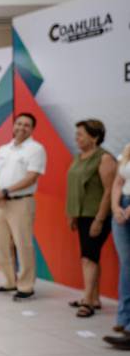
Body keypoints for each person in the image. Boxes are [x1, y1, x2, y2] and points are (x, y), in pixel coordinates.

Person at [0, 113, 46, 300]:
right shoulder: (4, 148)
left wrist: (4, 191)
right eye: (19, 123)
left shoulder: (36, 149)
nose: (22, 127)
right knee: (2, 244)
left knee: (23, 245)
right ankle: (9, 281)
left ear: (32, 129)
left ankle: (26, 286)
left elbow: (32, 176)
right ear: (13, 126)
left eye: (27, 125)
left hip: (21, 202)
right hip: (0, 203)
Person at [66, 119, 117, 318]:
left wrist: (100, 219)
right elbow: (74, 187)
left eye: (81, 134)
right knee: (89, 257)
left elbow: (109, 191)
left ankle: (87, 301)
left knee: (89, 258)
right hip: (82, 215)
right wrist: (71, 214)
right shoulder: (79, 157)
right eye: (76, 133)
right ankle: (94, 298)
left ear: (94, 137)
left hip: (97, 215)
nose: (76, 137)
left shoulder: (104, 158)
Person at [103, 143, 130, 349]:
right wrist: (115, 206)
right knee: (127, 266)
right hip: (121, 207)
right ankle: (123, 321)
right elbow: (119, 181)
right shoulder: (128, 148)